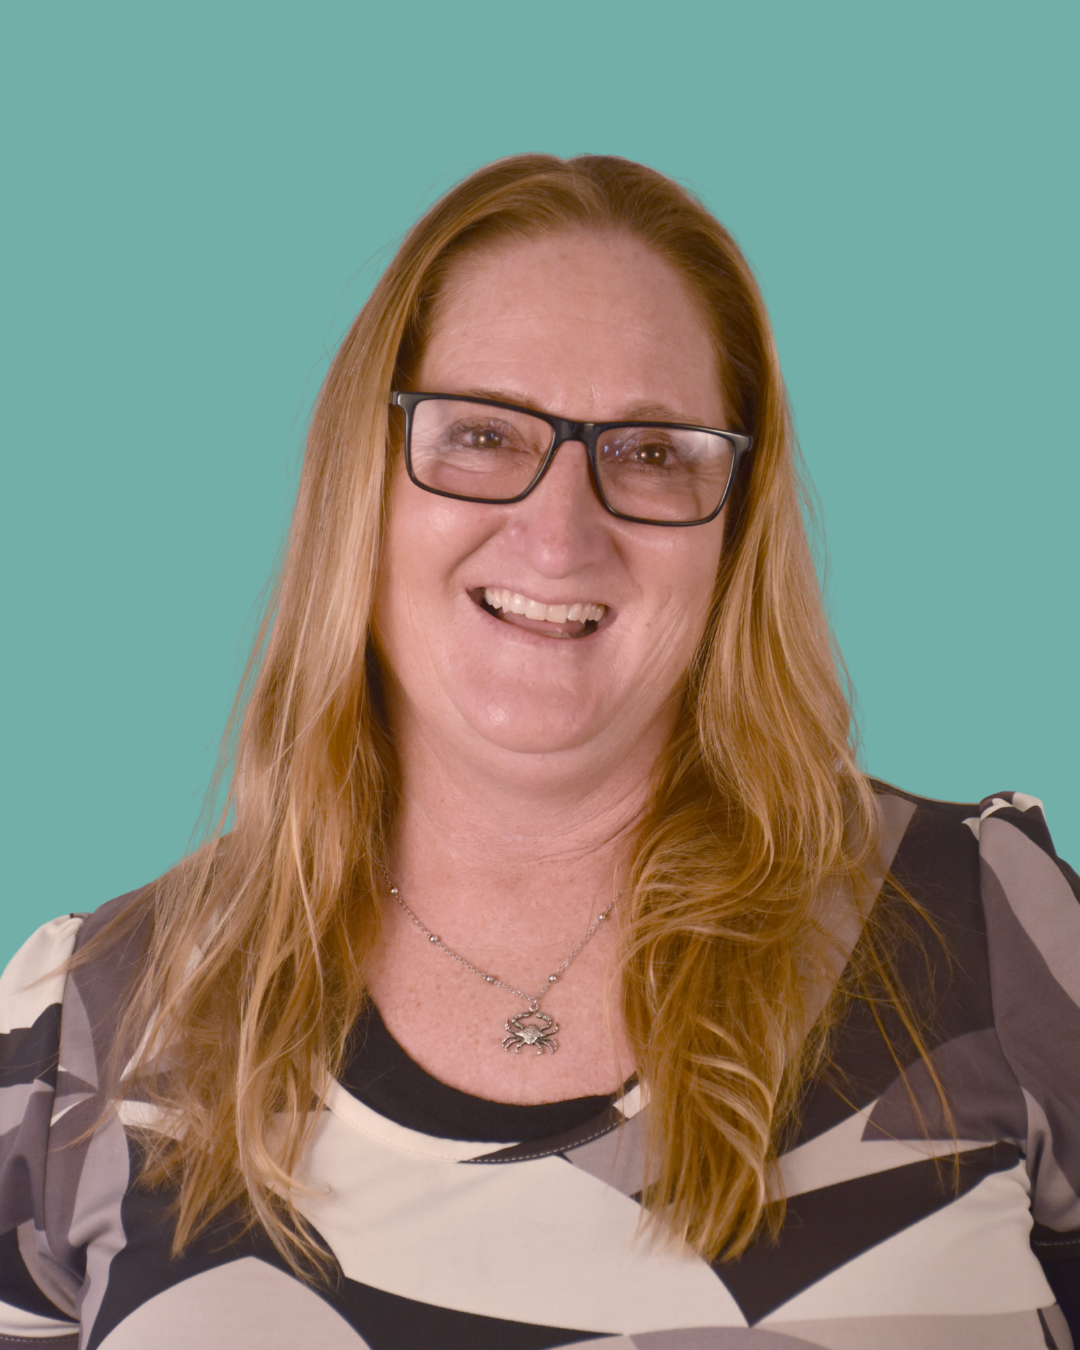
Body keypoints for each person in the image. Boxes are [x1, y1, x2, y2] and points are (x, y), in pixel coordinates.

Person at [1, 154, 1078, 1350]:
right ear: (364, 477)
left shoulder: (1001, 940)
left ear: (740, 519)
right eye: (479, 435)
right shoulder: (86, 1032)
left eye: (654, 452)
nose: (560, 534)